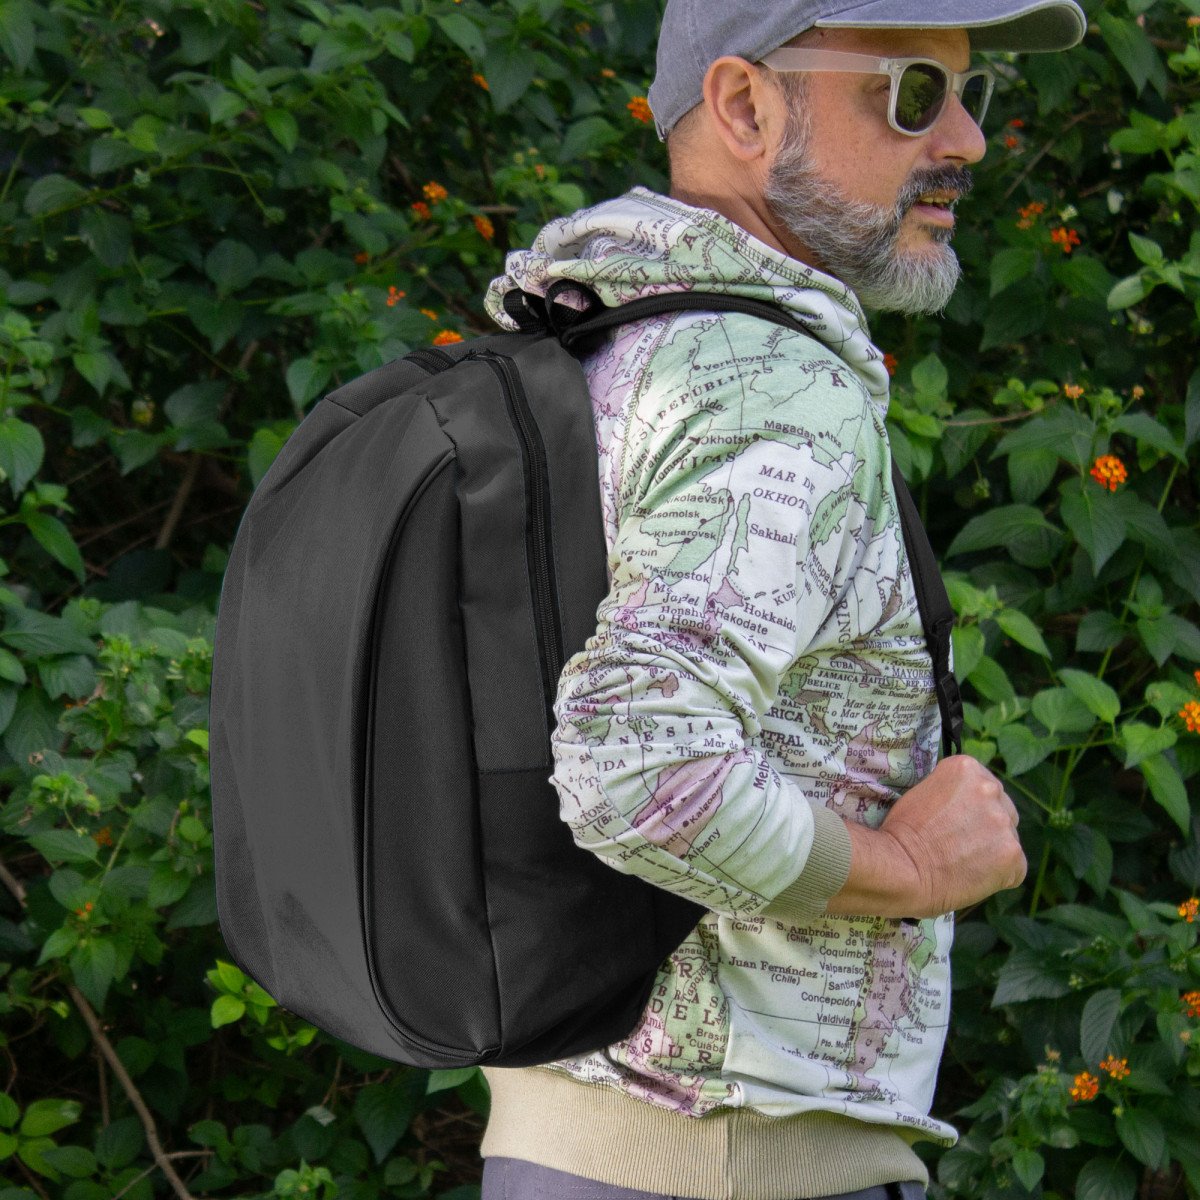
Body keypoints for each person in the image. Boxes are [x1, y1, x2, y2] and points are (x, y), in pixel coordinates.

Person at [477, 3, 1084, 1198]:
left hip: (564, 1140)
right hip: (736, 1163)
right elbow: (639, 766)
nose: (966, 139)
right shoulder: (765, 388)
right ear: (747, 107)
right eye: (914, 92)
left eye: (971, 95)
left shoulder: (595, 338)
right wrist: (909, 865)